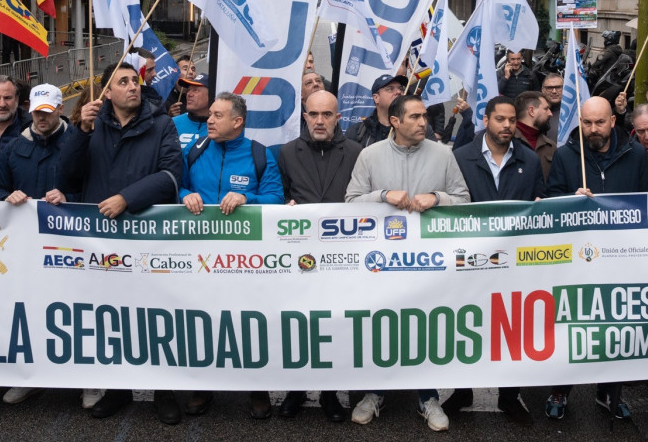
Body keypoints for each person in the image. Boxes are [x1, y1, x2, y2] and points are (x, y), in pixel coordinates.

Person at [48, 61, 182, 422]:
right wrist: (80, 132)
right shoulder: (91, 127)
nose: (132, 87)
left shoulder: (161, 124)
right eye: (122, 82)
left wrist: (127, 197)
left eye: (135, 81)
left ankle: (162, 391)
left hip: (146, 239)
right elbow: (69, 178)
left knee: (154, 316)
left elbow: (171, 175)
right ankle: (118, 389)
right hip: (102, 242)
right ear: (107, 93)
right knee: (111, 317)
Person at [345, 93, 468, 431]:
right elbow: (351, 202)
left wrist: (437, 198)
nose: (422, 122)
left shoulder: (443, 154)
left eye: (424, 116)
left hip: (428, 264)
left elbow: (463, 199)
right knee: (381, 325)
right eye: (413, 117)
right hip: (380, 263)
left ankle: (428, 398)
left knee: (423, 327)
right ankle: (375, 392)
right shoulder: (369, 156)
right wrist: (383, 196)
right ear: (395, 122)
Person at [544, 95, 648, 421]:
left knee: (615, 328)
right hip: (577, 259)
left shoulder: (634, 154)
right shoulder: (567, 155)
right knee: (571, 326)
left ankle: (609, 391)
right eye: (587, 122)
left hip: (622, 256)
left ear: (612, 121)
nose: (593, 129)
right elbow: (552, 197)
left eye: (600, 122)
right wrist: (569, 200)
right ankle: (561, 389)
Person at [180, 92, 283, 420]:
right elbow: (174, 185)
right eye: (210, 114)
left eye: (218, 115)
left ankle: (257, 388)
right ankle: (203, 386)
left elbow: (276, 199)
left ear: (237, 122)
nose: (209, 120)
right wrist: (186, 195)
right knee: (203, 320)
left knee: (249, 322)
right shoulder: (194, 151)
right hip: (201, 256)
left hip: (246, 259)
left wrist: (246, 198)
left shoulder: (259, 154)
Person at [446, 96, 544, 425]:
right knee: (467, 325)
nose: (506, 125)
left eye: (512, 120)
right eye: (499, 119)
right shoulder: (460, 158)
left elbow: (539, 205)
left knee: (511, 328)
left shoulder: (529, 161)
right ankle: (462, 391)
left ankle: (508, 395)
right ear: (486, 120)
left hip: (514, 262)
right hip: (469, 261)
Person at [276, 89, 359, 421]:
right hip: (300, 258)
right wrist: (283, 209)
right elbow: (277, 196)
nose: (320, 121)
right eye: (314, 114)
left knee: (334, 326)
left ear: (338, 118)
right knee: (300, 325)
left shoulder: (356, 152)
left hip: (343, 257)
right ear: (305, 116)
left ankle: (329, 394)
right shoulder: (286, 153)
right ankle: (296, 391)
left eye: (327, 115)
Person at [0, 84, 71, 407]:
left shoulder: (77, 145)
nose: (41, 118)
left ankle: (85, 380)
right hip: (24, 249)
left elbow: (92, 190)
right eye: (37, 111)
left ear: (60, 110)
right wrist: (5, 197)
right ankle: (31, 377)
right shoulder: (13, 148)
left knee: (70, 311)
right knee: (28, 311)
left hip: (66, 246)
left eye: (48, 113)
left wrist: (69, 199)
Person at [346, 74, 406, 147]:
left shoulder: (410, 129)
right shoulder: (356, 132)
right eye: (390, 89)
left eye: (401, 88)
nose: (398, 92)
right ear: (376, 98)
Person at [513, 91, 555, 180]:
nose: (550, 113)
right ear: (531, 111)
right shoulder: (508, 142)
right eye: (546, 109)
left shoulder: (550, 146)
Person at [172, 73, 211, 152]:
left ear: (211, 95)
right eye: (189, 90)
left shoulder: (220, 127)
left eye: (195, 90)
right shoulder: (172, 123)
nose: (189, 94)